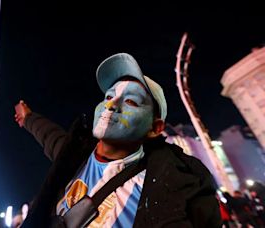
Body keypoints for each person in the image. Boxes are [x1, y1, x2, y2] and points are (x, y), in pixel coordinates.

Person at [14, 53, 221, 227]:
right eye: (108, 96)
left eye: (130, 101)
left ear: (154, 128)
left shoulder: (171, 188)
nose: (111, 104)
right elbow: (49, 135)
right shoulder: (73, 157)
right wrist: (28, 117)